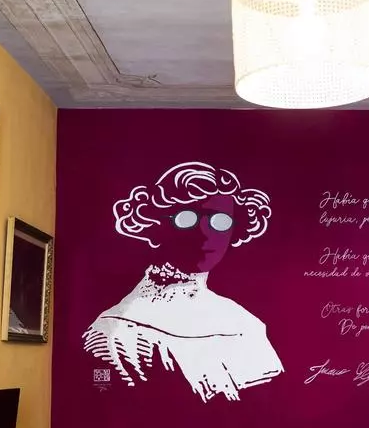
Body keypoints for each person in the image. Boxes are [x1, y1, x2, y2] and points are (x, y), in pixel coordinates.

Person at [82, 162, 283, 402]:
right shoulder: (114, 331)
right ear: (156, 226)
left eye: (221, 221)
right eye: (186, 218)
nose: (205, 232)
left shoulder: (245, 324)